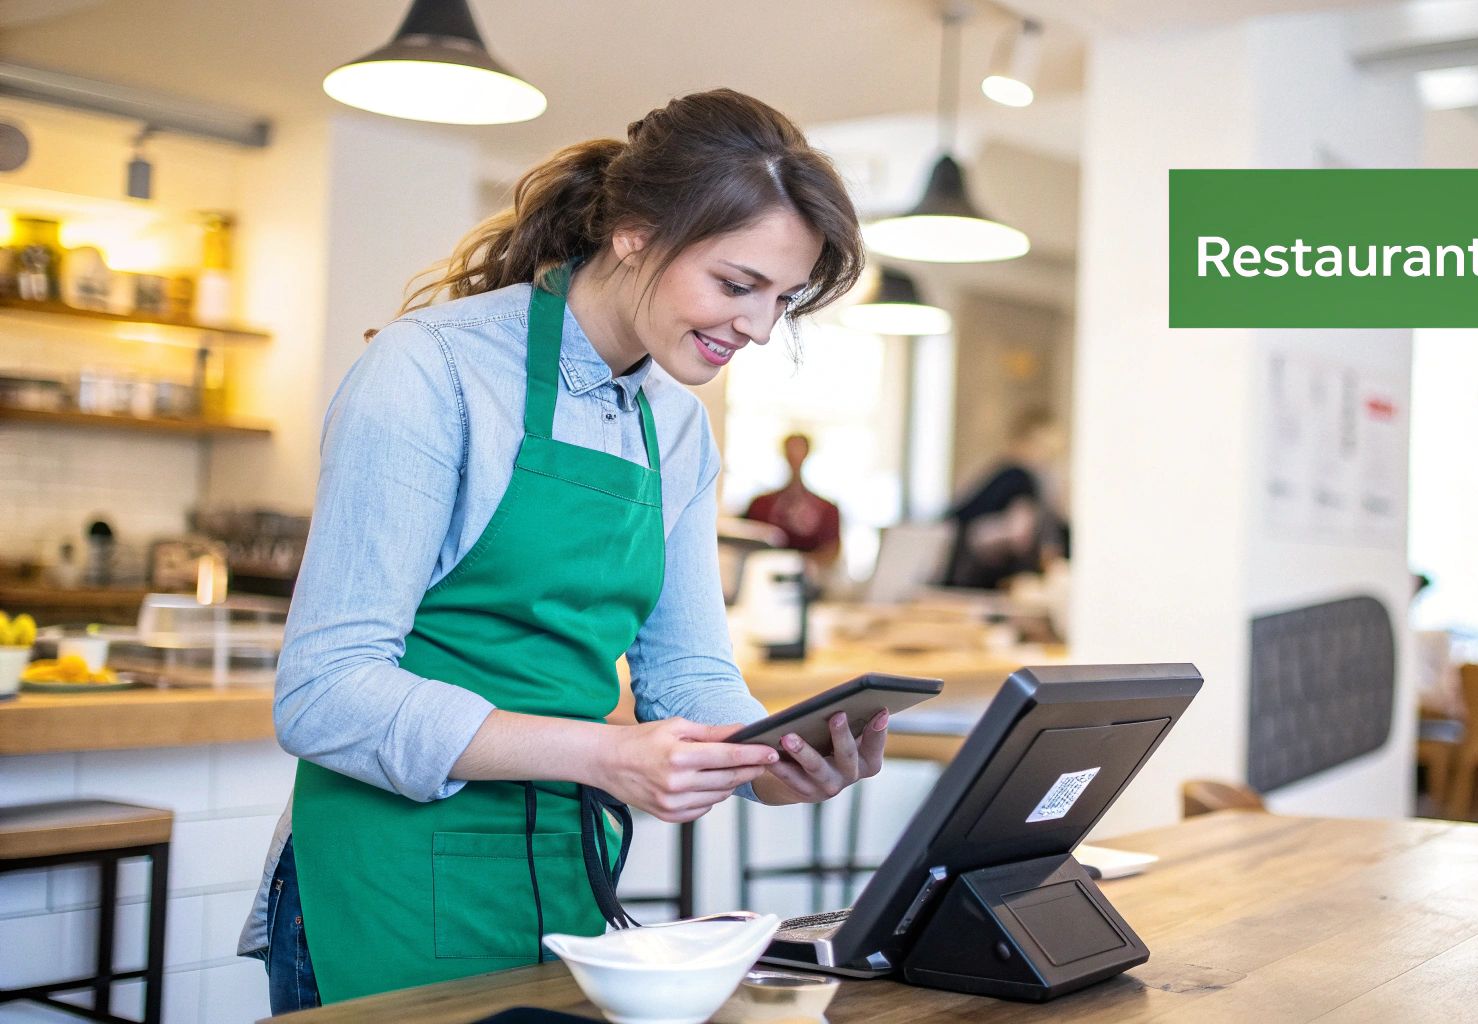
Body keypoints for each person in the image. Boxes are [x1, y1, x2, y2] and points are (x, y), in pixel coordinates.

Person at [239, 90, 877, 1010]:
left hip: (562, 871)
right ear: (634, 234)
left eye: (783, 299)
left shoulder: (677, 429)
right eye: (737, 285)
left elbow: (688, 671)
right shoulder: (434, 371)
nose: (759, 326)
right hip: (385, 870)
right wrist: (603, 754)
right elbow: (323, 692)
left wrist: (768, 766)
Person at [942, 408, 1067, 591]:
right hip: (978, 577)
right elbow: (1020, 535)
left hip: (960, 566)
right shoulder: (1019, 478)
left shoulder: (1000, 472)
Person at [743, 433, 842, 576]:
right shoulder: (760, 505)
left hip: (806, 579)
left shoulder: (827, 510)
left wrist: (803, 565)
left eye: (799, 449)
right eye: (791, 449)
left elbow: (831, 552)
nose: (795, 455)